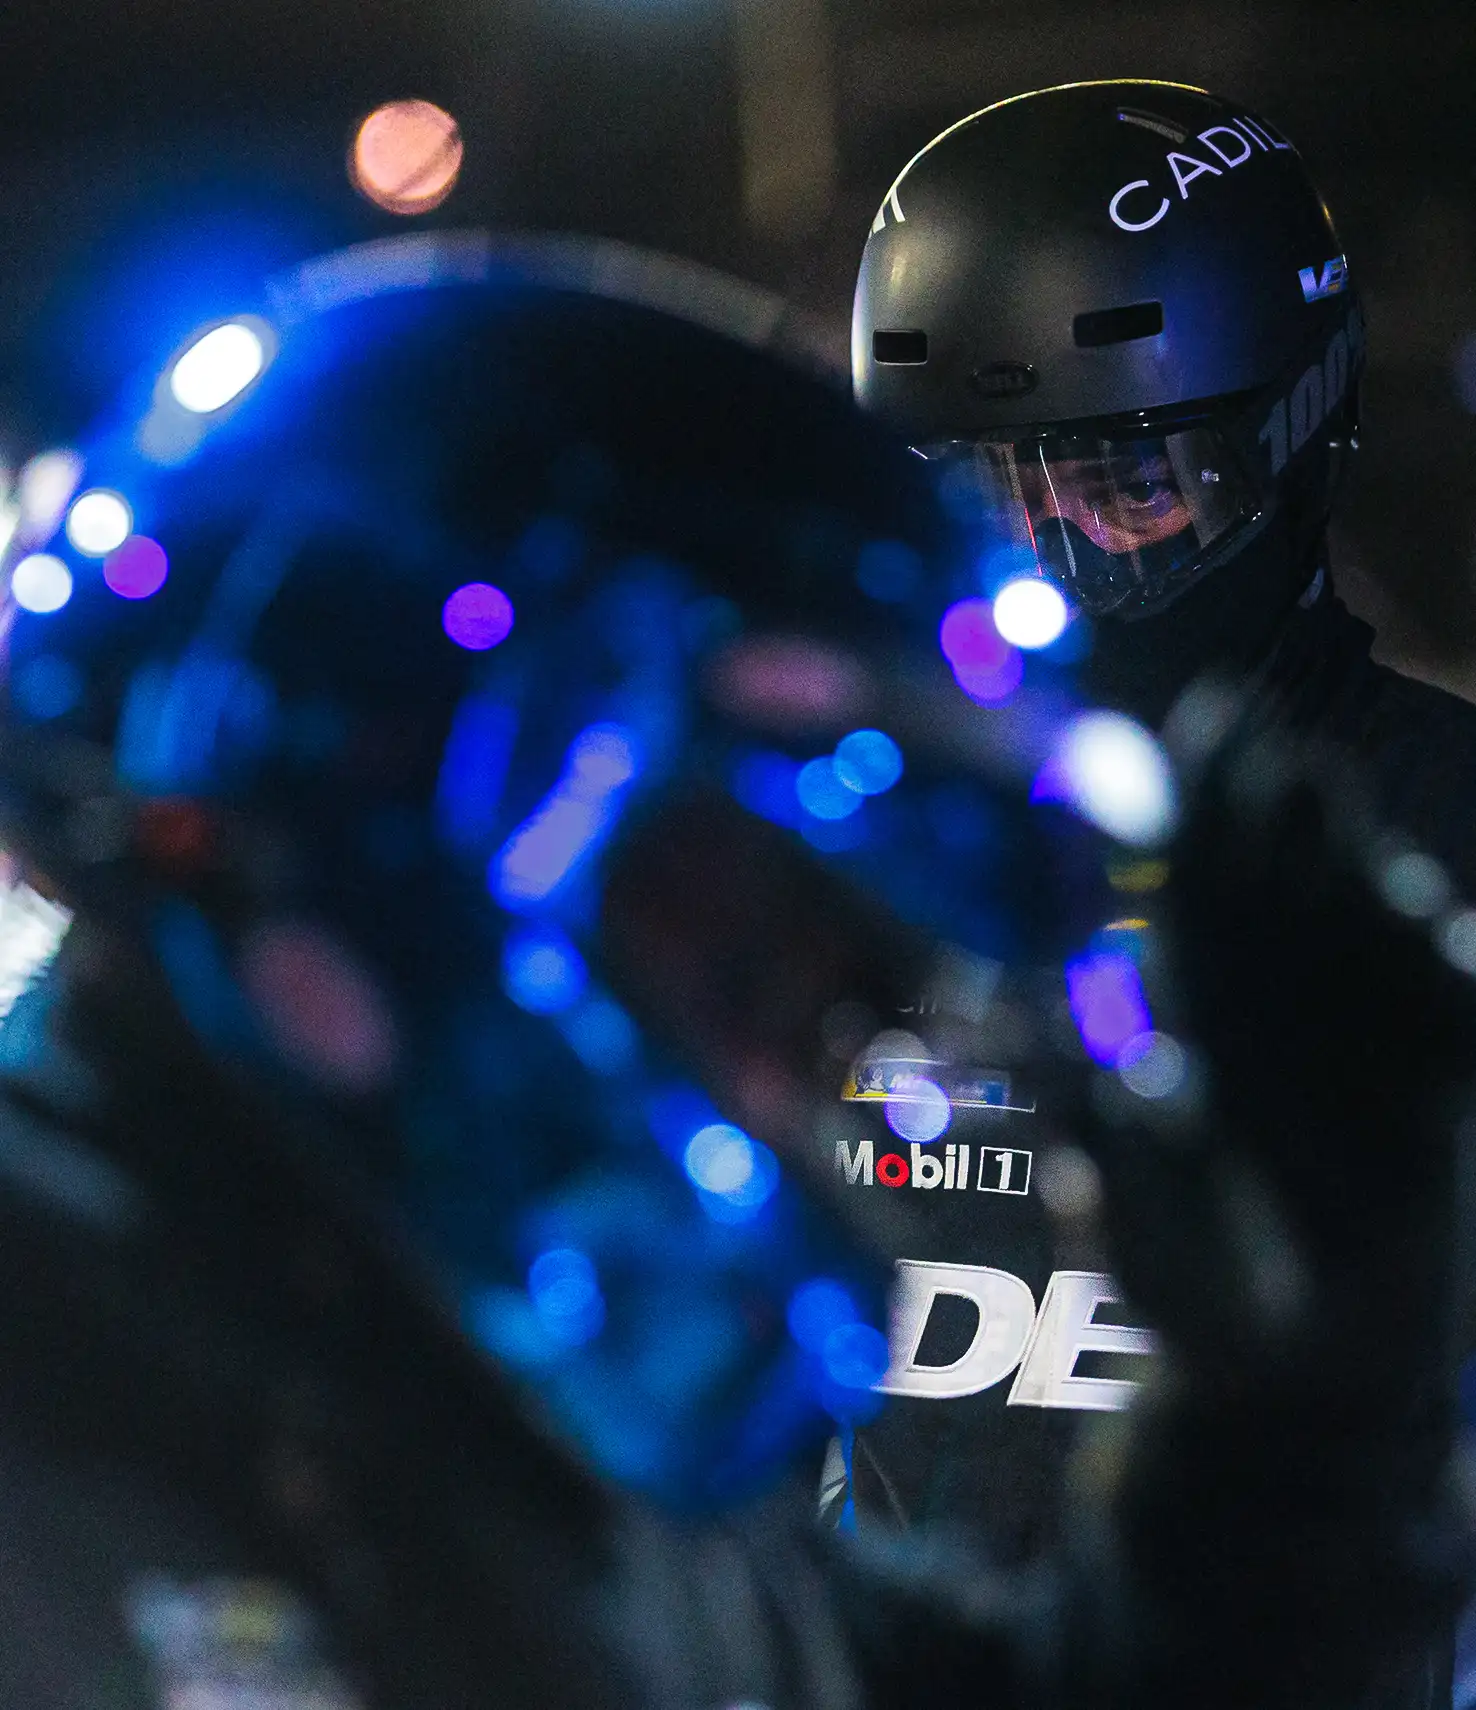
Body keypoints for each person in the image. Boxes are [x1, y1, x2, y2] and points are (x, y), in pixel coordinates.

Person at [0, 230, 1464, 1709]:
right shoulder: (71, 1380)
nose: (782, 1076)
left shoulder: (520, 1413)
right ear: (394, 802)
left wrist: (1300, 1433)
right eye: (741, 938)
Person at [852, 78, 1476, 896]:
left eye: (1134, 494)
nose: (1047, 587)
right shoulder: (888, 857)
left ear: (1297, 443)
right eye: (986, 511)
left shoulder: (1441, 848)